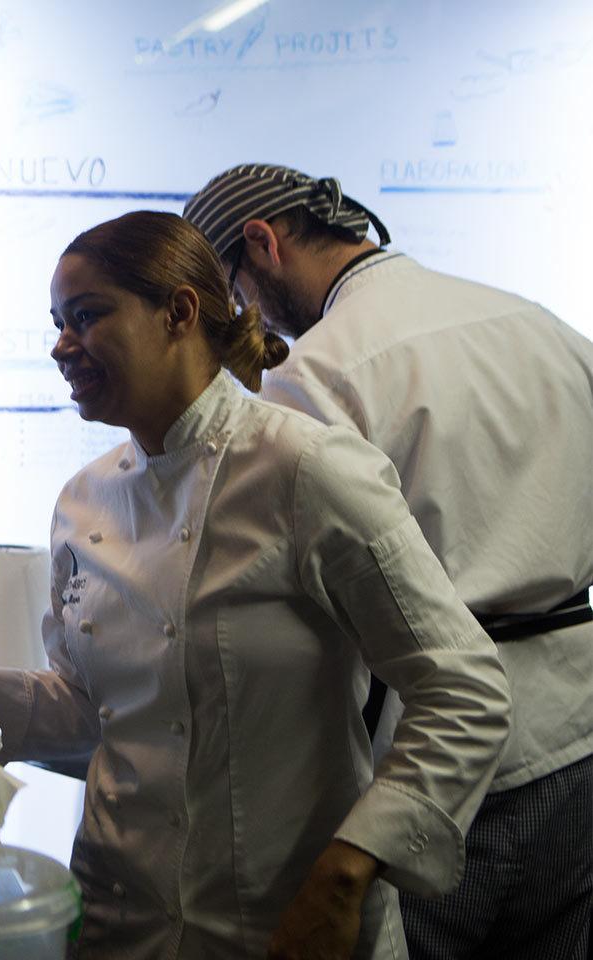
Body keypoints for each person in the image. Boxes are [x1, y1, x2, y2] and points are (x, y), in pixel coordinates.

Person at [0, 211, 511, 959]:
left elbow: (463, 684)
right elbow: (94, 711)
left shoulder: (307, 469)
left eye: (86, 316)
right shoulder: (83, 503)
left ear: (178, 311)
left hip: (289, 924)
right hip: (119, 916)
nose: (60, 345)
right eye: (57, 323)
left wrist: (347, 871)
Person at [184, 163, 593, 959]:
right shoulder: (543, 325)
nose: (249, 315)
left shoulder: (317, 374)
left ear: (261, 244)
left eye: (237, 288)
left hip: (445, 755)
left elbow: (291, 590)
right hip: (583, 730)